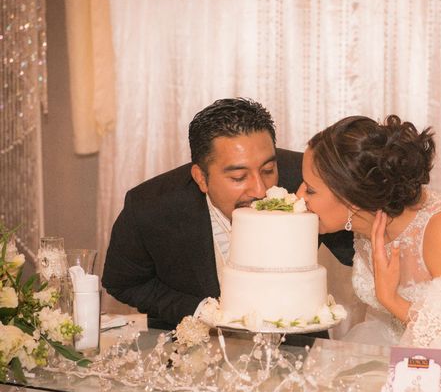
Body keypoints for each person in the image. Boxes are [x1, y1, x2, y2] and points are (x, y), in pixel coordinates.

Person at [102, 98, 354, 330]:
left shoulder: (306, 181)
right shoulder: (151, 206)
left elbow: (358, 248)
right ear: (201, 178)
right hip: (197, 354)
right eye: (238, 177)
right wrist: (200, 310)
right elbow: (123, 283)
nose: (260, 189)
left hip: (298, 350)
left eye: (268, 169)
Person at [296, 114, 441, 346]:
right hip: (388, 351)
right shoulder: (368, 223)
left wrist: (390, 299)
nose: (299, 196)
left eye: (310, 190)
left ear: (351, 198)